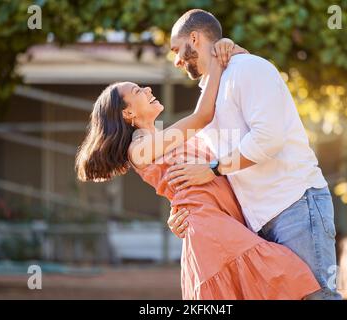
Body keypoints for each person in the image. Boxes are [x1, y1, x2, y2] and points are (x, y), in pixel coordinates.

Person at [75, 39, 320, 300]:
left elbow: (213, 136)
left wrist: (234, 56)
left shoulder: (167, 138)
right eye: (137, 91)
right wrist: (215, 63)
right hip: (210, 229)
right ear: (127, 114)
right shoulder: (139, 148)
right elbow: (203, 115)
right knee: (285, 276)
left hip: (227, 218)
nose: (147, 89)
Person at [166, 9, 342, 299]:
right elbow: (211, 171)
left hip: (295, 206)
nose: (176, 60)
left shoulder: (247, 69)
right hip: (256, 222)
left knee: (317, 297)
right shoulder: (211, 93)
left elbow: (268, 139)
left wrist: (213, 168)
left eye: (177, 49)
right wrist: (184, 213)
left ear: (194, 38)